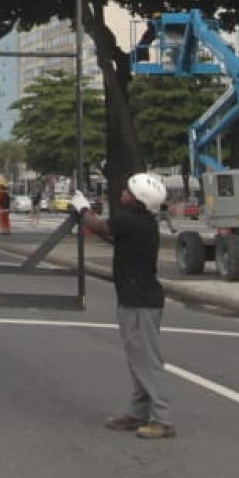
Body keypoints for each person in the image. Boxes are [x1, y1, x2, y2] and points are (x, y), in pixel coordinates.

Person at [73, 173, 174, 439]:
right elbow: (114, 237)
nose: (122, 193)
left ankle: (161, 419)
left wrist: (83, 207)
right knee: (137, 359)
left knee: (146, 360)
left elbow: (100, 225)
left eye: (128, 191)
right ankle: (137, 413)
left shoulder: (131, 219)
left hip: (140, 301)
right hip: (139, 297)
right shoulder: (142, 222)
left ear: (138, 198)